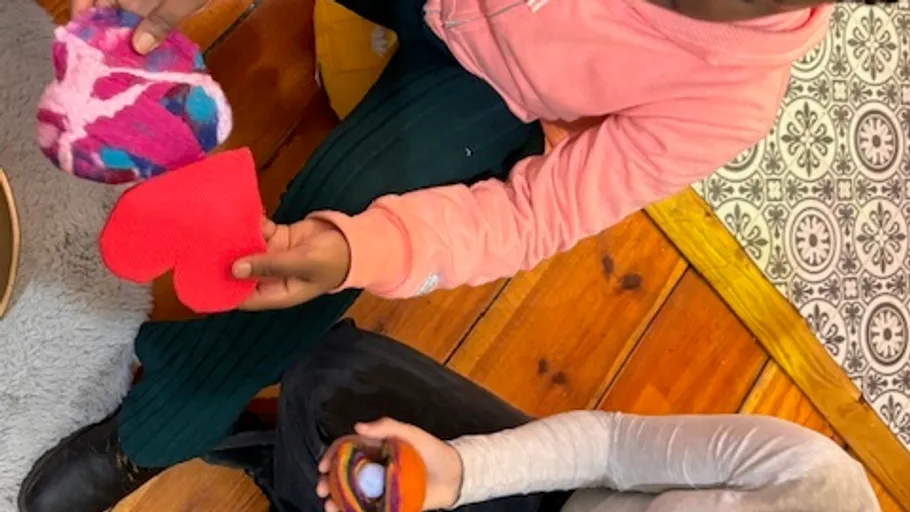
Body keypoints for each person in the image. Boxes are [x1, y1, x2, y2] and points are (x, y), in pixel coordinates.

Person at [19, 0, 896, 510]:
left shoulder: (726, 100)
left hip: (488, 85)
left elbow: (532, 215)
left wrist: (359, 244)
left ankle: (150, 435)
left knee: (304, 261)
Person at [199, 323, 883, 512]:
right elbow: (610, 445)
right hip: (551, 499)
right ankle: (289, 476)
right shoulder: (814, 477)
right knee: (332, 373)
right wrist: (460, 473)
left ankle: (288, 476)